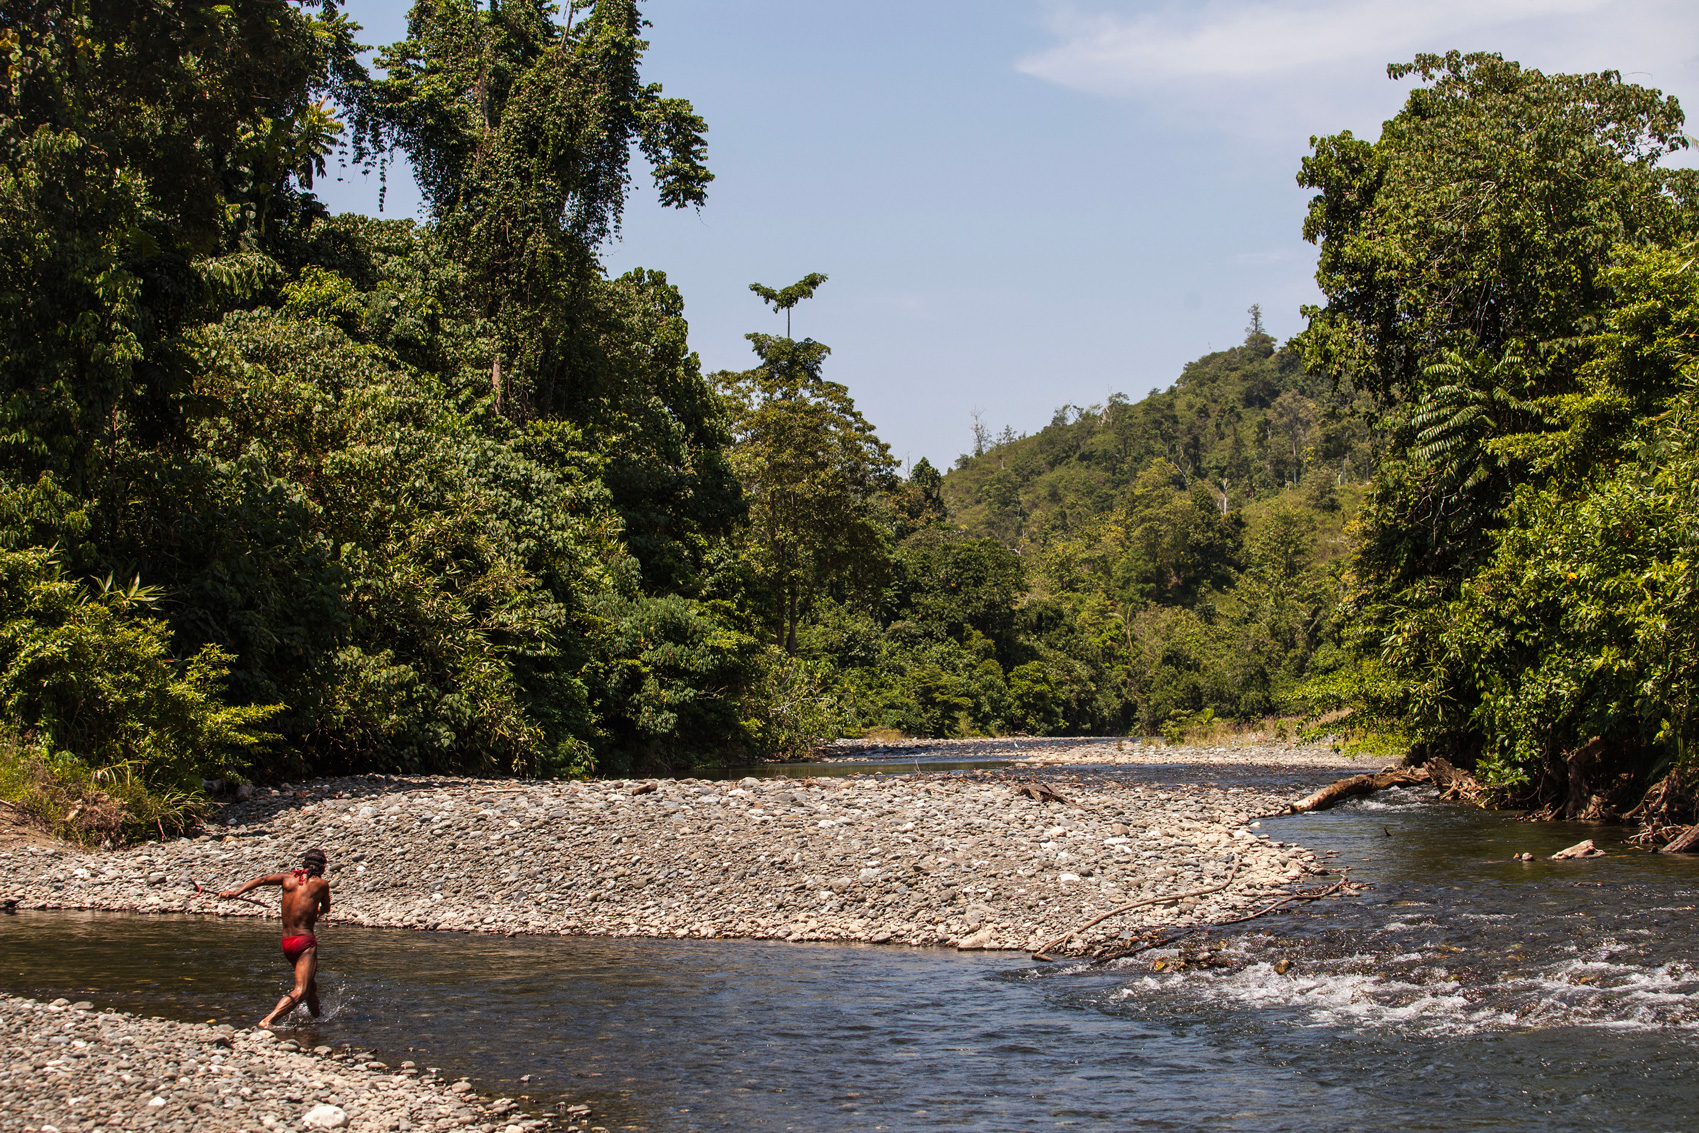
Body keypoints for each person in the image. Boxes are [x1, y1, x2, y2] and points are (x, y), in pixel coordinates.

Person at [221, 848, 332, 1029]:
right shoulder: (321, 884)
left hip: (287, 943)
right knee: (301, 990)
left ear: (305, 863)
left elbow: (262, 880)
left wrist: (236, 893)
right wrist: (317, 913)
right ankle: (268, 1020)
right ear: (323, 867)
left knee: (310, 986)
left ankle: (320, 1019)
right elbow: (326, 908)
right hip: (304, 942)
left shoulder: (287, 878)